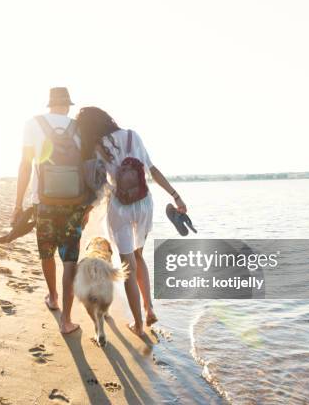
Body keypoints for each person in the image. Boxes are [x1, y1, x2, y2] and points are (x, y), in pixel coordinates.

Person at [77, 107, 187, 336]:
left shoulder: (99, 146)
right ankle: (149, 309)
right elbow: (152, 170)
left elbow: (101, 187)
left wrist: (87, 209)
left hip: (120, 207)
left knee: (128, 264)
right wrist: (175, 196)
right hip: (145, 204)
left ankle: (138, 325)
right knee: (139, 256)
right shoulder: (132, 135)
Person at [11, 87, 85, 334]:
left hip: (42, 201)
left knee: (46, 252)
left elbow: (25, 165)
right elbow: (87, 168)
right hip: (73, 203)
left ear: (50, 104)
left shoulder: (33, 124)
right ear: (68, 105)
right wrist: (86, 206)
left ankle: (52, 297)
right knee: (70, 259)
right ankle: (66, 321)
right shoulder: (78, 128)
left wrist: (17, 203)